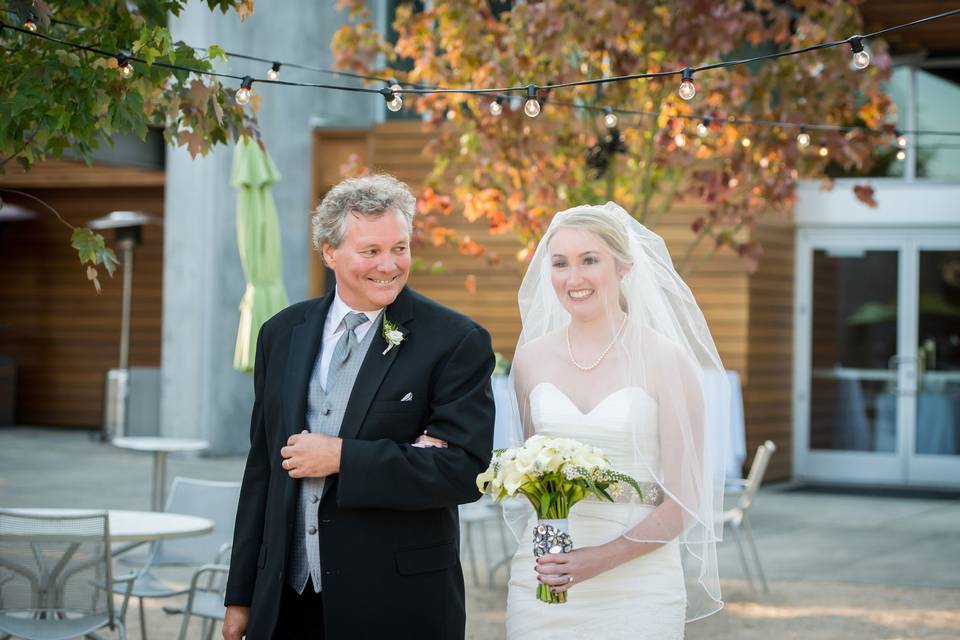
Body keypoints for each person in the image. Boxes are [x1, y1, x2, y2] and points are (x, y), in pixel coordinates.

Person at [222, 174, 496, 639]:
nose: (389, 265)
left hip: (395, 602)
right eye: (371, 251)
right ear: (329, 251)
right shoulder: (280, 334)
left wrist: (341, 458)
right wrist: (241, 595)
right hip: (286, 599)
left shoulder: (455, 341)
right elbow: (262, 471)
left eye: (400, 248)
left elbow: (464, 469)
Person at [503, 202, 729, 639]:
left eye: (590, 260)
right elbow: (535, 474)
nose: (574, 278)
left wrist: (600, 558)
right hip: (545, 576)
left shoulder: (667, 359)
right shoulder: (530, 359)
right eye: (561, 263)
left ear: (624, 267)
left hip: (638, 584)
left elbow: (685, 500)